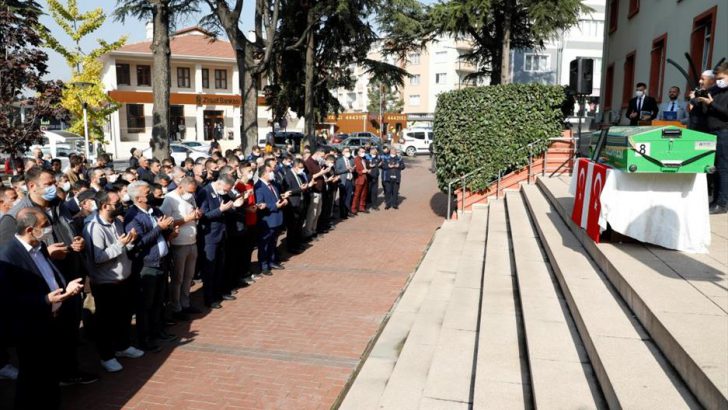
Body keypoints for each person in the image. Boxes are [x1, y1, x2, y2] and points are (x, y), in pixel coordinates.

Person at [0, 207, 84, 410]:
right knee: (31, 378)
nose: (49, 229)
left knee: (49, 374)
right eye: (44, 226)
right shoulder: (8, 256)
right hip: (30, 327)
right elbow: (8, 299)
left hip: (51, 320)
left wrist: (64, 290)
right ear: (30, 230)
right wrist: (45, 300)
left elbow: (50, 276)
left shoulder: (40, 247)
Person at [83, 190, 145, 373]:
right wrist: (120, 245)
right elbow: (98, 257)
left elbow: (122, 246)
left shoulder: (116, 222)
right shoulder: (94, 227)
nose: (121, 206)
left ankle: (123, 346)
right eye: (116, 203)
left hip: (123, 279)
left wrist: (130, 242)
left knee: (123, 317)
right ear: (104, 206)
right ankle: (106, 356)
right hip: (106, 283)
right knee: (106, 322)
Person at [124, 181, 177, 352]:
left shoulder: (155, 210)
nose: (152, 194)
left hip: (161, 261)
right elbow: (138, 243)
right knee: (145, 304)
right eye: (148, 192)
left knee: (159, 300)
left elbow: (162, 231)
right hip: (147, 265)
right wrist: (159, 228)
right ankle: (143, 338)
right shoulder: (132, 216)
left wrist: (169, 230)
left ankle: (157, 330)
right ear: (138, 197)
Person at [160, 177, 202, 320]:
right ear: (180, 187)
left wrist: (197, 215)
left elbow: (193, 213)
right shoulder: (169, 199)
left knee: (189, 276)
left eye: (193, 191)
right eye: (189, 191)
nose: (191, 194)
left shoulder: (190, 196)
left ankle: (186, 303)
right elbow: (166, 222)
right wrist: (187, 219)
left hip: (192, 240)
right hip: (179, 243)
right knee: (178, 277)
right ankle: (176, 307)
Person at [196, 175, 240, 309]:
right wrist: (221, 210)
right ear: (219, 184)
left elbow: (228, 205)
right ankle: (209, 298)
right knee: (209, 269)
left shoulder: (222, 192)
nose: (226, 193)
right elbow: (204, 216)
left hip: (221, 234)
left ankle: (219, 292)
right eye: (226, 190)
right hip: (209, 236)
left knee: (220, 266)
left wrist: (232, 206)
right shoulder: (205, 192)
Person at [696, 62, 728, 214]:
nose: (718, 80)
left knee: (723, 168)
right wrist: (700, 99)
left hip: (724, 132)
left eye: (721, 77)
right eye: (716, 78)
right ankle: (715, 200)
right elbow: (705, 110)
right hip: (711, 132)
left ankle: (722, 203)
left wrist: (712, 103)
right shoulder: (714, 89)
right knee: (714, 169)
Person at [255, 165, 289, 275]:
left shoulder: (273, 185)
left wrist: (283, 201)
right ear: (263, 173)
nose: (272, 173)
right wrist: (275, 206)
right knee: (264, 244)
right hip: (267, 220)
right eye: (270, 171)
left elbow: (277, 197)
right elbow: (260, 205)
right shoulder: (259, 187)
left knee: (273, 242)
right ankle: (264, 265)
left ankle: (272, 261)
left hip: (277, 219)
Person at [335, 147, 355, 218]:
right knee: (343, 197)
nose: (348, 152)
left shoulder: (352, 160)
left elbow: (353, 169)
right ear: (343, 152)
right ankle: (342, 213)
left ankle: (347, 211)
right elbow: (337, 171)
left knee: (349, 197)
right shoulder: (339, 160)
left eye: (348, 151)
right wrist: (346, 170)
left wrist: (353, 169)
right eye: (346, 151)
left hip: (350, 180)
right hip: (343, 180)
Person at [352, 148, 369, 214]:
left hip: (365, 178)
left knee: (363, 194)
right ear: (358, 152)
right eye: (362, 151)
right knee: (357, 195)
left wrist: (367, 170)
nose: (363, 153)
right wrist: (362, 171)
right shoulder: (356, 159)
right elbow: (355, 170)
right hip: (359, 179)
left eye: (364, 151)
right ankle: (354, 208)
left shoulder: (363, 159)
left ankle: (361, 207)